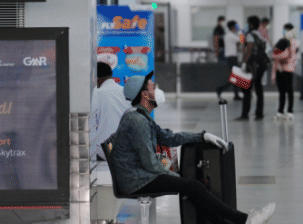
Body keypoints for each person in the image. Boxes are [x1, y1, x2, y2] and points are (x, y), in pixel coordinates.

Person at [106, 71, 276, 224]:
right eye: (153, 87)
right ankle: (245, 220)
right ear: (145, 95)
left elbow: (169, 137)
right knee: (192, 186)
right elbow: (149, 164)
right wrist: (177, 177)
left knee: (192, 188)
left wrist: (202, 136)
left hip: (138, 176)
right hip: (136, 181)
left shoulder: (141, 116)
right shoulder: (137, 121)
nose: (156, 90)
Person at [89, 62, 129, 160]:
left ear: (96, 78)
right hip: (127, 150)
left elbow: (91, 124)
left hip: (104, 151)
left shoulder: (96, 94)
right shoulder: (125, 92)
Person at [235, 16, 270, 121]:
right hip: (260, 65)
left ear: (251, 24)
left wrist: (244, 62)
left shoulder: (250, 35)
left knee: (246, 90)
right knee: (259, 89)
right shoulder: (260, 34)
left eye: (248, 23)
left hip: (252, 65)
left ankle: (245, 114)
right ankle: (259, 114)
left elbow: (249, 49)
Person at [272, 24, 298, 119]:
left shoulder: (293, 42)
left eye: (287, 30)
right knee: (281, 91)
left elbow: (290, 56)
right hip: (280, 69)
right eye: (285, 30)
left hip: (288, 69)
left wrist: (282, 58)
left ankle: (290, 110)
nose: (285, 32)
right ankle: (280, 110)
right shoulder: (281, 41)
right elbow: (274, 54)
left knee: (289, 90)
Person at [216, 20, 243, 101]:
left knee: (235, 76)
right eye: (235, 26)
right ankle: (220, 89)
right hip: (231, 58)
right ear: (232, 27)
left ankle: (236, 95)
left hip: (231, 58)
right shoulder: (230, 35)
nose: (236, 28)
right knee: (235, 77)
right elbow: (241, 40)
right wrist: (240, 31)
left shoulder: (228, 35)